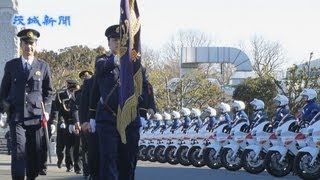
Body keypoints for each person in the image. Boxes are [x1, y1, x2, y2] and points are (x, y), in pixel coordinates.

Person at [88, 24, 156, 180]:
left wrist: (145, 111)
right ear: (108, 43)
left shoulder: (136, 64)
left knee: (128, 160)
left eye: (121, 40)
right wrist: (91, 116)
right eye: (114, 40)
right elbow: (97, 81)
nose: (118, 43)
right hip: (107, 118)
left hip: (130, 119)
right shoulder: (102, 60)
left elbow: (145, 87)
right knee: (108, 159)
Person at [0, 28, 54, 180]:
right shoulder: (11, 65)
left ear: (36, 45)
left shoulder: (43, 66)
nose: (28, 46)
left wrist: (47, 110)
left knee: (34, 153)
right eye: (25, 43)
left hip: (36, 117)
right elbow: (3, 91)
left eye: (32, 43)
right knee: (18, 152)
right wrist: (2, 111)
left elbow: (49, 92)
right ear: (21, 45)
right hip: (16, 115)